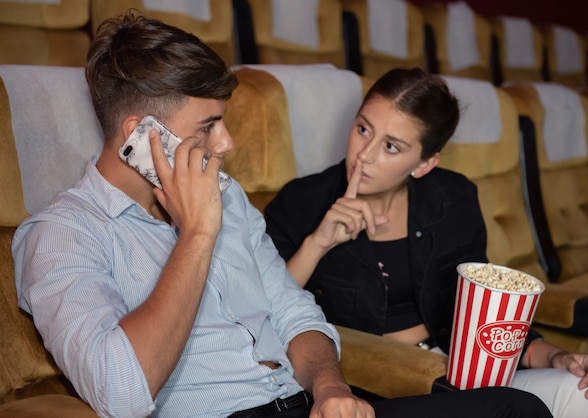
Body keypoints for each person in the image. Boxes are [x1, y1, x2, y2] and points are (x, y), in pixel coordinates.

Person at [10, 12, 554, 418]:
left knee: (514, 409)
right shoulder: (60, 236)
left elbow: (296, 313)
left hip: (302, 403)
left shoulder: (226, 195)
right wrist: (197, 233)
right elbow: (122, 391)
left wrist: (330, 387)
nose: (224, 143)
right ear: (140, 136)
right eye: (207, 126)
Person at [265, 67, 588, 418]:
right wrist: (318, 243)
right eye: (363, 129)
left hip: (456, 369)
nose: (365, 154)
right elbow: (261, 313)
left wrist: (556, 357)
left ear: (423, 164)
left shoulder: (453, 198)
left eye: (391, 146)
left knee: (580, 392)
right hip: (373, 385)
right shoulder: (302, 202)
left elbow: (480, 309)